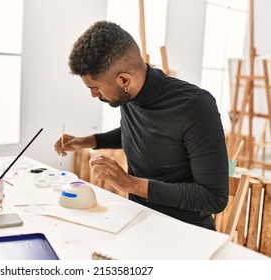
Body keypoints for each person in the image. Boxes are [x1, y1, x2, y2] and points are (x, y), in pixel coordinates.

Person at [54, 21, 229, 230]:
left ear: (124, 80)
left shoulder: (195, 106)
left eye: (96, 88)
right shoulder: (127, 95)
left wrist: (131, 184)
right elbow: (142, 134)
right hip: (137, 217)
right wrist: (87, 141)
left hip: (184, 230)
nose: (93, 95)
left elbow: (214, 198)